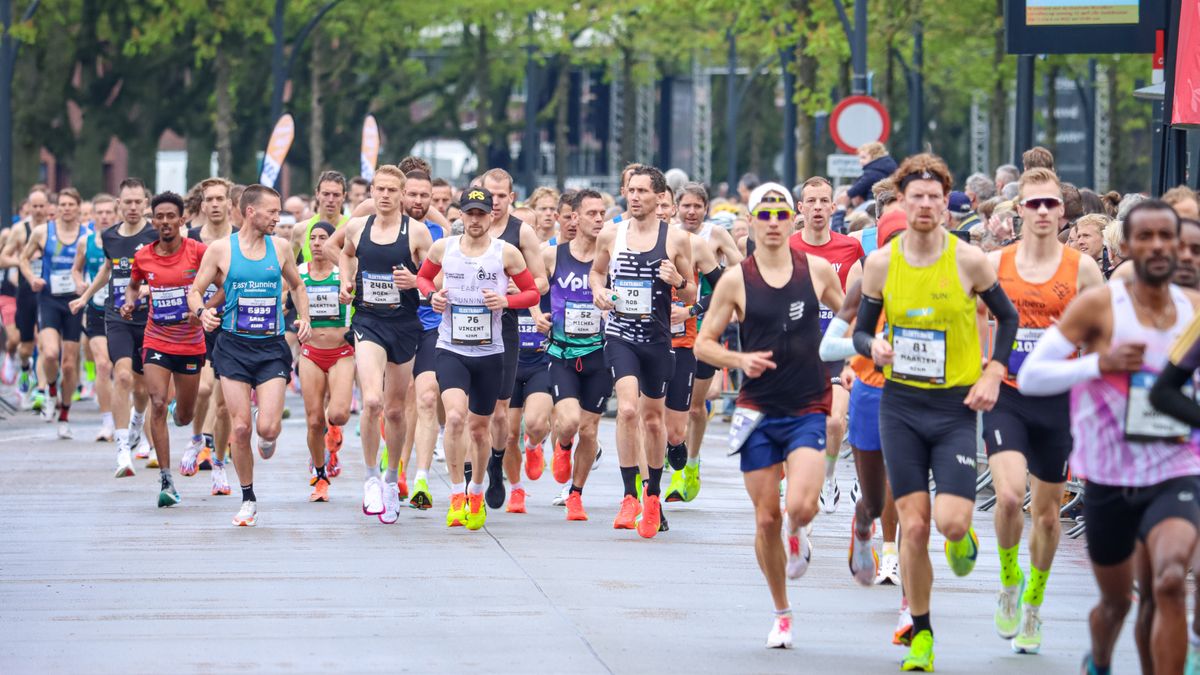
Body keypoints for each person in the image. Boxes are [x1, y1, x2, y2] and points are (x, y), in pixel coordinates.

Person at [852, 153, 1020, 672]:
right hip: (900, 405)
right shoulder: (883, 263)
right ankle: (920, 631)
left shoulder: (968, 259)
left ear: (946, 205)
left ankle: (963, 532)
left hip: (953, 407)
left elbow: (1008, 318)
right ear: (901, 202)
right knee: (914, 525)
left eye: (934, 197)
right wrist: (872, 348)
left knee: (947, 524)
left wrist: (993, 371)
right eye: (915, 197)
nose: (925, 205)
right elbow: (861, 329)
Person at [1020, 200, 1200, 675]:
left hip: (1176, 466)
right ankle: (1099, 660)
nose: (1160, 246)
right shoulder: (1101, 306)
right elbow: (1034, 375)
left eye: (1169, 237)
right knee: (1118, 604)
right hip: (1109, 473)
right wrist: (1099, 364)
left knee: (1167, 581)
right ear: (1127, 247)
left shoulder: (1196, 310)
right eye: (1148, 237)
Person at [694, 185, 844, 649]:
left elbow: (853, 317)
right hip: (757, 410)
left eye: (782, 213)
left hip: (807, 407)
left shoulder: (816, 271)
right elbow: (704, 343)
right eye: (766, 214)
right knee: (765, 519)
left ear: (791, 219)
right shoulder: (736, 280)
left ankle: (800, 532)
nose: (775, 221)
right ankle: (782, 612)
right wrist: (739, 363)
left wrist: (857, 359)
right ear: (753, 221)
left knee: (800, 506)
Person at [981, 168, 1105, 654]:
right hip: (1008, 394)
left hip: (1059, 401)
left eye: (1051, 204)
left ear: (1063, 212)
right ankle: (1010, 581)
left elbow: (1102, 333)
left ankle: (1034, 598)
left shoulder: (1083, 270)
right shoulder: (994, 263)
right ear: (1019, 211)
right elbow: (971, 315)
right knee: (1010, 497)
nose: (1043, 212)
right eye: (1033, 204)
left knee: (1048, 517)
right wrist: (980, 369)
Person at [415, 186, 542, 531]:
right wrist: (432, 298)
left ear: (491, 216)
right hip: (451, 347)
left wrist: (506, 302)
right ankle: (456, 493)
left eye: (480, 214)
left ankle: (476, 489)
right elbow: (423, 279)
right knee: (455, 417)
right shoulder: (445, 249)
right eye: (468, 214)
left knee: (480, 427)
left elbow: (532, 291)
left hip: (490, 352)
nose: (474, 220)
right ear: (460, 216)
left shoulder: (506, 253)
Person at [188, 184, 312, 527]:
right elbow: (195, 291)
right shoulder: (220, 250)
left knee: (267, 428)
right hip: (233, 346)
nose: (278, 217)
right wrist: (203, 314)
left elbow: (298, 285)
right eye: (272, 212)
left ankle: (268, 433)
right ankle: (248, 498)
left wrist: (304, 316)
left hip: (270, 347)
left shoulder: (282, 248)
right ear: (251, 212)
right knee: (240, 427)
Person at [590, 165, 694, 538]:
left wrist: (678, 281)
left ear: (658, 197)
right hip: (620, 335)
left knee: (653, 420)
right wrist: (599, 292)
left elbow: (693, 292)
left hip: (657, 340)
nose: (634, 197)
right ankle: (628, 495)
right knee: (628, 408)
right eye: (630, 191)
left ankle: (652, 496)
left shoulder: (676, 239)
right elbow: (597, 273)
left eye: (642, 192)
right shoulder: (611, 235)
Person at [337, 165, 432, 524]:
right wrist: (346, 283)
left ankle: (392, 477)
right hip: (368, 320)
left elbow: (432, 278)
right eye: (380, 189)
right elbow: (346, 253)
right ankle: (370, 477)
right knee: (372, 400)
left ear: (403, 194)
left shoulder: (417, 232)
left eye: (393, 190)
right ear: (371, 191)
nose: (385, 195)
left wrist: (416, 280)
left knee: (394, 410)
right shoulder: (358, 226)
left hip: (404, 325)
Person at [123, 191, 208, 507]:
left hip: (190, 343)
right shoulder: (144, 255)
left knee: (184, 417)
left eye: (172, 216)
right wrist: (130, 303)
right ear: (153, 220)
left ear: (182, 219)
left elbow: (225, 285)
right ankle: (167, 480)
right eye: (160, 216)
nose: (165, 221)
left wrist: (202, 310)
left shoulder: (198, 252)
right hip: (156, 338)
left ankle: (180, 412)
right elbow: (133, 285)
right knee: (157, 401)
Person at [71, 179, 157, 477]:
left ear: (146, 203)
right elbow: (108, 269)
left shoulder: (156, 234)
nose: (132, 208)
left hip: (150, 318)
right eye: (127, 202)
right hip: (117, 314)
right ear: (119, 204)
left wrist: (148, 289)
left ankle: (136, 421)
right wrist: (84, 296)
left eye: (137, 202)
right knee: (121, 375)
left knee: (144, 386)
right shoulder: (109, 236)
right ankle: (122, 449)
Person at [789, 176, 864, 514]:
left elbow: (859, 307)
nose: (818, 207)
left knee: (835, 423)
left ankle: (830, 476)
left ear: (834, 207)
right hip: (796, 354)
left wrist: (854, 356)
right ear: (800, 208)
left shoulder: (849, 248)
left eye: (824, 201)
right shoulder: (787, 246)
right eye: (811, 201)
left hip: (835, 351)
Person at [667, 182, 742, 503]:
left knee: (696, 407)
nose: (692, 212)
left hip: (706, 326)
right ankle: (673, 469)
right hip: (671, 330)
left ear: (706, 208)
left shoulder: (715, 236)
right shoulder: (665, 234)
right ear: (676, 207)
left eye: (698, 206)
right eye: (686, 205)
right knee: (670, 406)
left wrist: (718, 272)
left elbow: (740, 274)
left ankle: (692, 466)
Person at [479, 168, 549, 511]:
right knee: (465, 409)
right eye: (488, 195)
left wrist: (515, 289)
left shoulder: (522, 233)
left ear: (512, 198)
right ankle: (470, 474)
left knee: (500, 412)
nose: (493, 202)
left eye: (501, 196)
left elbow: (541, 283)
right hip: (464, 327)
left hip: (504, 325)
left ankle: (495, 462)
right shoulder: (465, 227)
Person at [539, 189, 610, 520]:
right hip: (562, 352)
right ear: (575, 217)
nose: (598, 219)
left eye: (602, 214)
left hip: (600, 352)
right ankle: (563, 446)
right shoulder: (553, 255)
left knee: (591, 430)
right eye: (592, 213)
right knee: (568, 421)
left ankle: (576, 494)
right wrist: (535, 315)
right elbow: (531, 288)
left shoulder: (609, 257)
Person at [19, 187, 88, 436]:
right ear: (55, 207)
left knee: (69, 365)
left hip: (74, 302)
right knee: (49, 354)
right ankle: (49, 390)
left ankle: (65, 415)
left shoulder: (86, 235)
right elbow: (23, 259)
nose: (66, 208)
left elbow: (95, 265)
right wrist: (32, 278)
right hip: (48, 299)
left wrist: (85, 285)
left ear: (78, 207)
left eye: (71, 204)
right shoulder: (42, 232)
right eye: (62, 204)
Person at [184, 178, 236, 489]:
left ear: (231, 204)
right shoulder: (190, 239)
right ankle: (197, 439)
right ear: (202, 205)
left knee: (224, 404)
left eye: (221, 199)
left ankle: (218, 460)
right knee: (203, 391)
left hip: (231, 325)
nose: (215, 204)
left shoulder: (241, 239)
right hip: (197, 323)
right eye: (210, 200)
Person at [297, 221, 353, 503]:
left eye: (324, 238)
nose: (318, 243)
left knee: (339, 414)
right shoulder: (299, 274)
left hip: (342, 350)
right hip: (311, 352)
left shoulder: (343, 272)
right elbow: (280, 294)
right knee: (313, 419)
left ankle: (335, 429)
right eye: (313, 238)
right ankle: (320, 476)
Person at [72, 193, 117, 441]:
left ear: (115, 213)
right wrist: (80, 284)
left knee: (127, 370)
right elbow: (76, 269)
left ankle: (129, 414)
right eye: (99, 212)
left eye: (108, 212)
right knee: (102, 364)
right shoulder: (85, 241)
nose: (103, 216)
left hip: (124, 311)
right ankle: (107, 422)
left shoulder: (124, 240)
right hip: (96, 309)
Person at [295, 170, 350, 264]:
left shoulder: (352, 229)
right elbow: (287, 266)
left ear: (344, 196)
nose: (331, 200)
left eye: (336, 195)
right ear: (317, 194)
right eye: (326, 194)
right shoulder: (301, 229)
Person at [848, 142, 898, 208]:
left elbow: (853, 191)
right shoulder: (887, 168)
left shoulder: (872, 173)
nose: (860, 161)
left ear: (874, 156)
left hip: (872, 205)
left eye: (863, 157)